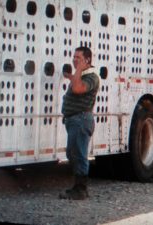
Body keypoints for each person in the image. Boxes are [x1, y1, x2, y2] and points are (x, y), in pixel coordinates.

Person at [59, 47, 100, 200]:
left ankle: (81, 190)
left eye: (78, 58)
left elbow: (77, 88)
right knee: (72, 153)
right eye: (74, 57)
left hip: (81, 120)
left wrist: (76, 72)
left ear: (87, 60)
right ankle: (77, 187)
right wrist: (72, 75)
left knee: (79, 154)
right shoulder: (82, 75)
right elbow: (77, 83)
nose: (74, 60)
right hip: (74, 120)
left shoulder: (92, 77)